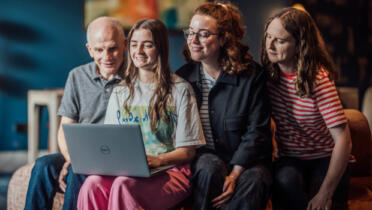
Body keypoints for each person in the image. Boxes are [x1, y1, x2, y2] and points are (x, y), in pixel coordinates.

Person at [77, 18, 205, 210]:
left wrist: (158, 160)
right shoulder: (121, 92)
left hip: (171, 171)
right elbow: (111, 144)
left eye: (147, 45)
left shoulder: (181, 89)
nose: (138, 52)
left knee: (123, 185)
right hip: (128, 170)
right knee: (91, 184)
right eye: (135, 45)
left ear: (160, 48)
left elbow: (188, 151)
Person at [176, 2, 273, 210]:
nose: (193, 40)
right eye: (190, 32)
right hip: (206, 160)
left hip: (247, 161)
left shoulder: (252, 77)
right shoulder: (182, 77)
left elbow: (257, 132)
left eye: (203, 34)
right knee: (209, 167)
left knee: (255, 178)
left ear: (223, 38)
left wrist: (235, 173)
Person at [24, 16, 127, 210]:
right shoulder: (77, 76)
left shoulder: (137, 76)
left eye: (113, 48)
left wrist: (77, 164)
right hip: (82, 153)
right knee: (42, 165)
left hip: (116, 155)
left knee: (79, 170)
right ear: (89, 50)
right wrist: (72, 158)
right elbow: (65, 127)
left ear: (125, 44)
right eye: (99, 50)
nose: (107, 56)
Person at [260, 7, 352, 210]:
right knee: (285, 181)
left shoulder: (318, 79)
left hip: (326, 156)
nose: (271, 45)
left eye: (280, 40)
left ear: (300, 45)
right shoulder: (266, 77)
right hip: (290, 158)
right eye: (268, 37)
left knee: (323, 202)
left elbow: (343, 140)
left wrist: (325, 193)